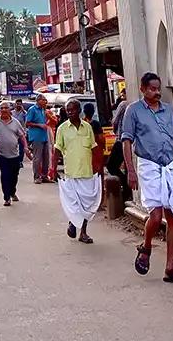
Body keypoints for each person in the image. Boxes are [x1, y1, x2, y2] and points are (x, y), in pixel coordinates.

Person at [122, 72, 173, 285]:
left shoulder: (168, 110)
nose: (156, 93)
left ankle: (170, 268)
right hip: (148, 166)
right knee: (156, 217)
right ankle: (146, 246)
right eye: (152, 89)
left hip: (170, 166)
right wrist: (131, 170)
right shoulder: (133, 111)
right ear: (143, 89)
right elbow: (126, 141)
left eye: (158, 89)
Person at [53, 99, 101, 243]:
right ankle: (73, 222)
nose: (70, 113)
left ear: (79, 111)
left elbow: (94, 147)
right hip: (71, 172)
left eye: (72, 110)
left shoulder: (87, 127)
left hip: (87, 172)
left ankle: (83, 232)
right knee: (74, 203)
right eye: (67, 110)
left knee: (86, 204)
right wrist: (53, 168)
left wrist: (98, 165)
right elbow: (57, 150)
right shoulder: (62, 129)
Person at [0, 100, 29, 205]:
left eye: (6, 108)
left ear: (10, 109)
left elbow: (22, 136)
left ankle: (12, 191)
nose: (3, 110)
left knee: (14, 175)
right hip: (1, 153)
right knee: (5, 174)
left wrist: (25, 147)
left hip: (14, 153)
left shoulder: (15, 122)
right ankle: (6, 197)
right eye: (1, 108)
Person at [21, 96, 51, 184]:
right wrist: (39, 125)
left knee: (46, 157)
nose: (45, 102)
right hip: (36, 137)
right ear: (38, 101)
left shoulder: (43, 110)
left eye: (45, 100)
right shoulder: (32, 110)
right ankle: (36, 176)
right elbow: (27, 123)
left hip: (44, 136)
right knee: (37, 158)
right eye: (43, 100)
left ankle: (44, 176)